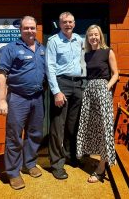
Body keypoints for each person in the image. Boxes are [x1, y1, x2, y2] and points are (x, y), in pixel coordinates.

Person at [0, 16, 46, 190]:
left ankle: (29, 164)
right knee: (14, 136)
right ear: (20, 29)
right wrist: (1, 100)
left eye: (32, 28)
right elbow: (1, 74)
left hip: (38, 98)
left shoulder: (42, 48)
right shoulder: (11, 48)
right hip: (17, 98)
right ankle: (13, 173)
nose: (30, 31)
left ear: (36, 28)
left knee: (34, 133)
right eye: (26, 28)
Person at [76, 24, 118, 183]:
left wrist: (107, 87)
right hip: (88, 92)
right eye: (90, 35)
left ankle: (101, 167)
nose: (93, 37)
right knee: (90, 126)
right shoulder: (85, 54)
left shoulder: (108, 51)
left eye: (96, 34)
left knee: (104, 128)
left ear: (100, 36)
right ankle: (94, 157)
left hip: (102, 91)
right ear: (87, 38)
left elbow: (116, 73)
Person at [45, 11, 83, 180]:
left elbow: (85, 61)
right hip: (62, 84)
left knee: (72, 124)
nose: (68, 24)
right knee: (57, 126)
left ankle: (70, 155)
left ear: (74, 23)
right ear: (60, 24)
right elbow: (50, 67)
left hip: (78, 85)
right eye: (65, 22)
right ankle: (56, 164)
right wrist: (56, 91)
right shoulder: (53, 41)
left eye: (71, 22)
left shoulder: (79, 40)